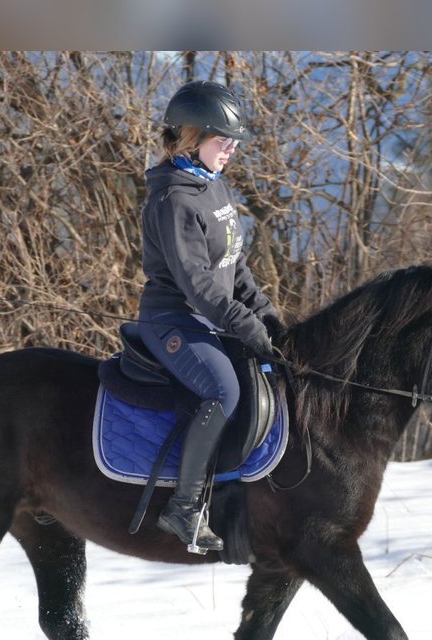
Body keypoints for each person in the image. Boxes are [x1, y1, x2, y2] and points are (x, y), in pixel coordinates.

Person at [138, 80, 283, 553]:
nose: (231, 151)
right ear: (191, 136)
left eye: (235, 143)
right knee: (224, 389)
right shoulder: (173, 200)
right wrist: (247, 327)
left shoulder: (211, 184)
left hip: (214, 317)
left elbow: (234, 267)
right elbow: (199, 286)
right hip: (175, 320)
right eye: (224, 141)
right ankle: (182, 508)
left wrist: (270, 319)